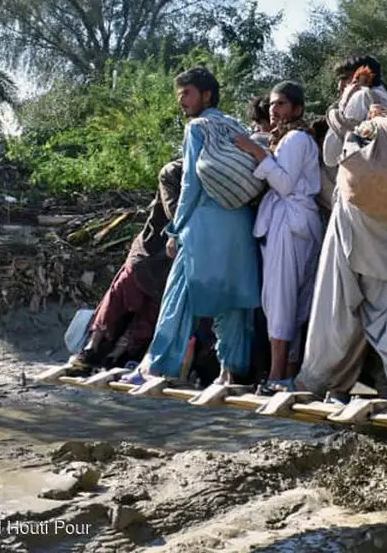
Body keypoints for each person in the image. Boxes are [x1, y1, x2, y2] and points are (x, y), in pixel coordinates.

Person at [294, 56, 387, 403]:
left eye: (342, 81)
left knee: (336, 306)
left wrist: (342, 103)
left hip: (360, 217)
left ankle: (317, 380)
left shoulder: (358, 100)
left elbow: (334, 154)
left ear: (352, 80)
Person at [140, 67, 261, 385]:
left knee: (179, 295)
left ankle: (160, 366)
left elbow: (191, 184)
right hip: (239, 224)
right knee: (233, 302)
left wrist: (176, 230)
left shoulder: (197, 127)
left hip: (204, 224)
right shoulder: (235, 125)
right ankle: (232, 371)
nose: (181, 100)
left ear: (206, 95)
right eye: (179, 94)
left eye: (187, 93)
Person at [233, 81, 325, 390]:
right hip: (293, 221)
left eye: (281, 104)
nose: (274, 110)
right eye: (272, 104)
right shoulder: (286, 140)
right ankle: (288, 373)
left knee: (281, 299)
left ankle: (276, 376)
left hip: (291, 222)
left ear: (297, 109)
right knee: (291, 300)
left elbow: (284, 184)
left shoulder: (296, 139)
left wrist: (257, 152)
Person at [64, 159, 182, 374]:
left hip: (175, 258)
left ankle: (123, 356)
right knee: (119, 297)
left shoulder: (208, 176)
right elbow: (175, 211)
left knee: (153, 310)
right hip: (150, 248)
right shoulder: (173, 172)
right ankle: (91, 349)